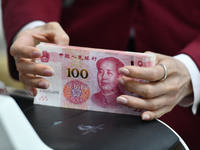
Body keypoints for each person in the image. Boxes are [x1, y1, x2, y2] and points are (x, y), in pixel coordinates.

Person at [2, 0, 200, 149]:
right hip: (69, 99)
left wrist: (192, 67)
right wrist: (32, 28)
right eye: (102, 72)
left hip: (184, 102)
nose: (105, 76)